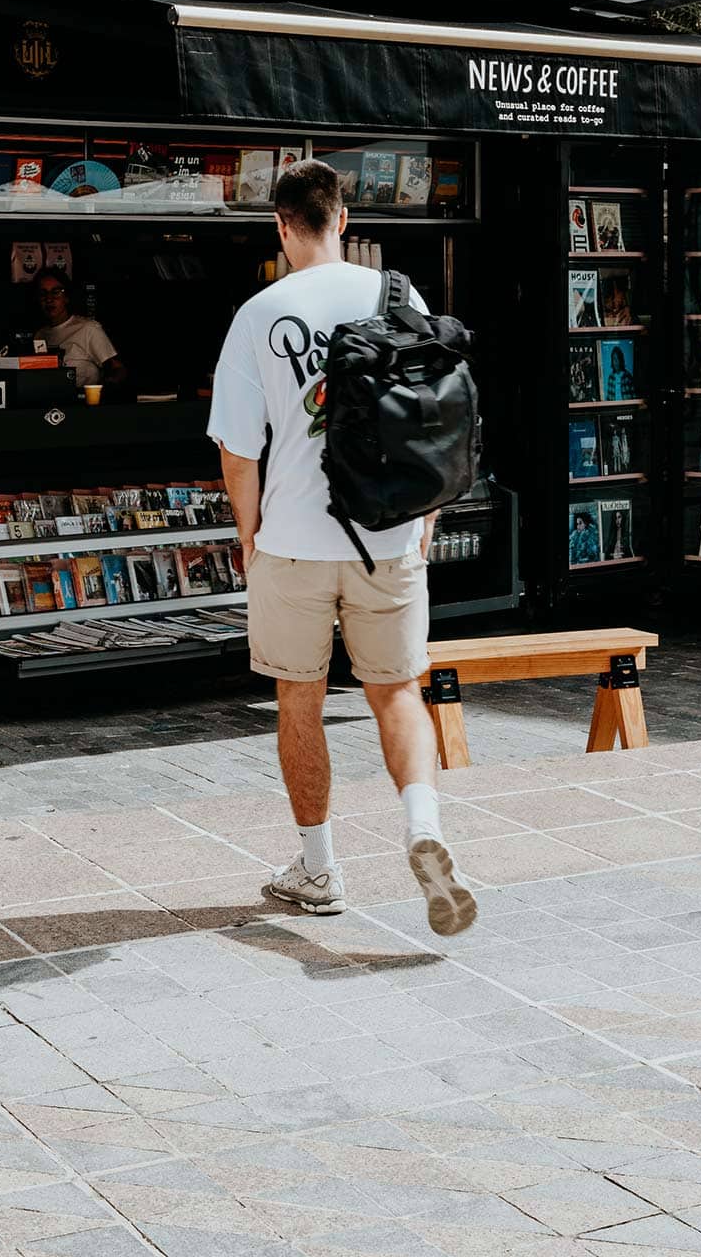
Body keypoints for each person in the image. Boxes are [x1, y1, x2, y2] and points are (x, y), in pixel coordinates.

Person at [208, 160, 477, 935]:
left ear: (281, 226)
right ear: (344, 220)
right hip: (388, 534)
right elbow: (432, 417)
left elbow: (236, 450)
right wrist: (425, 521)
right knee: (396, 692)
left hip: (293, 540)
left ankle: (319, 868)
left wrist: (250, 536)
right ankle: (423, 825)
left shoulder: (260, 313)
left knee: (300, 700)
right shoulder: (398, 296)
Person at [34, 268, 126, 390]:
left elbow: (117, 369)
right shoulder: (40, 335)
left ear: (66, 297)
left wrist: (105, 389)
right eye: (43, 293)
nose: (49, 299)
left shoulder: (88, 328)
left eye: (56, 292)